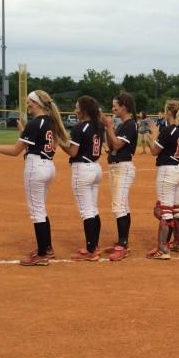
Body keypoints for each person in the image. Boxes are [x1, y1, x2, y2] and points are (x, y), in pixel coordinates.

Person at [0, 89, 69, 265]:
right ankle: (46, 248)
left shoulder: (36, 123)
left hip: (36, 167)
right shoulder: (50, 122)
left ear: (37, 103)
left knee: (37, 211)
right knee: (40, 209)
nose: (28, 105)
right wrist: (23, 132)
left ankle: (42, 254)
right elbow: (37, 144)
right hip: (48, 166)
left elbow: (15, 151)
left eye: (29, 102)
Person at [58, 96, 104, 261]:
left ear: (84, 110)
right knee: (93, 209)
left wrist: (59, 142)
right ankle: (94, 246)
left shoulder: (80, 127)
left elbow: (73, 152)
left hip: (82, 169)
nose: (75, 110)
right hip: (96, 167)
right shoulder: (98, 126)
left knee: (87, 211)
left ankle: (91, 250)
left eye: (77, 107)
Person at [146, 100, 179, 260]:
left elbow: (154, 151)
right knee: (178, 209)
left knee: (165, 211)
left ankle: (163, 249)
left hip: (167, 171)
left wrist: (154, 135)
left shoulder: (168, 130)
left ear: (169, 113)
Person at [102, 92, 138, 261]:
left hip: (123, 167)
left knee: (119, 206)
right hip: (116, 166)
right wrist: (108, 130)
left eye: (115, 105)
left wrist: (109, 126)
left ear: (124, 106)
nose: (113, 108)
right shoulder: (123, 124)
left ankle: (123, 245)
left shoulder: (130, 124)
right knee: (120, 205)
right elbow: (112, 146)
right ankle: (121, 242)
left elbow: (117, 144)